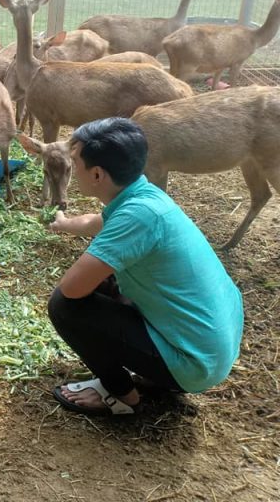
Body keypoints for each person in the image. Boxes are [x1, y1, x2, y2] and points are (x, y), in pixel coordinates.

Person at [47, 117, 243, 416]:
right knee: (104, 278)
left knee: (64, 306)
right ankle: (151, 369)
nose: (72, 170)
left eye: (75, 162)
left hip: (193, 364)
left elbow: (72, 289)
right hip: (211, 346)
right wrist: (62, 224)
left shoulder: (135, 217)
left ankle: (123, 397)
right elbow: (95, 222)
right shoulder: (145, 197)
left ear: (97, 174)